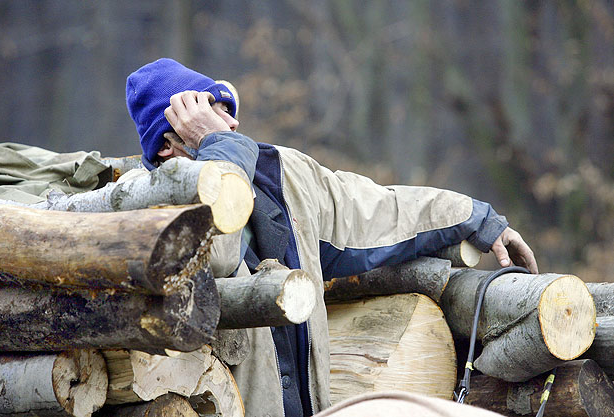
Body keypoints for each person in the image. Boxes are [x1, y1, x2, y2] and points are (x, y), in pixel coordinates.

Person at [125, 58, 538, 417]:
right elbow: (215, 251)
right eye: (213, 118)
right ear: (168, 145)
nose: (233, 126)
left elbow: (376, 211)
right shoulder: (143, 202)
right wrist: (218, 148)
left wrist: (480, 219)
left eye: (227, 115)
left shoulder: (279, 173)